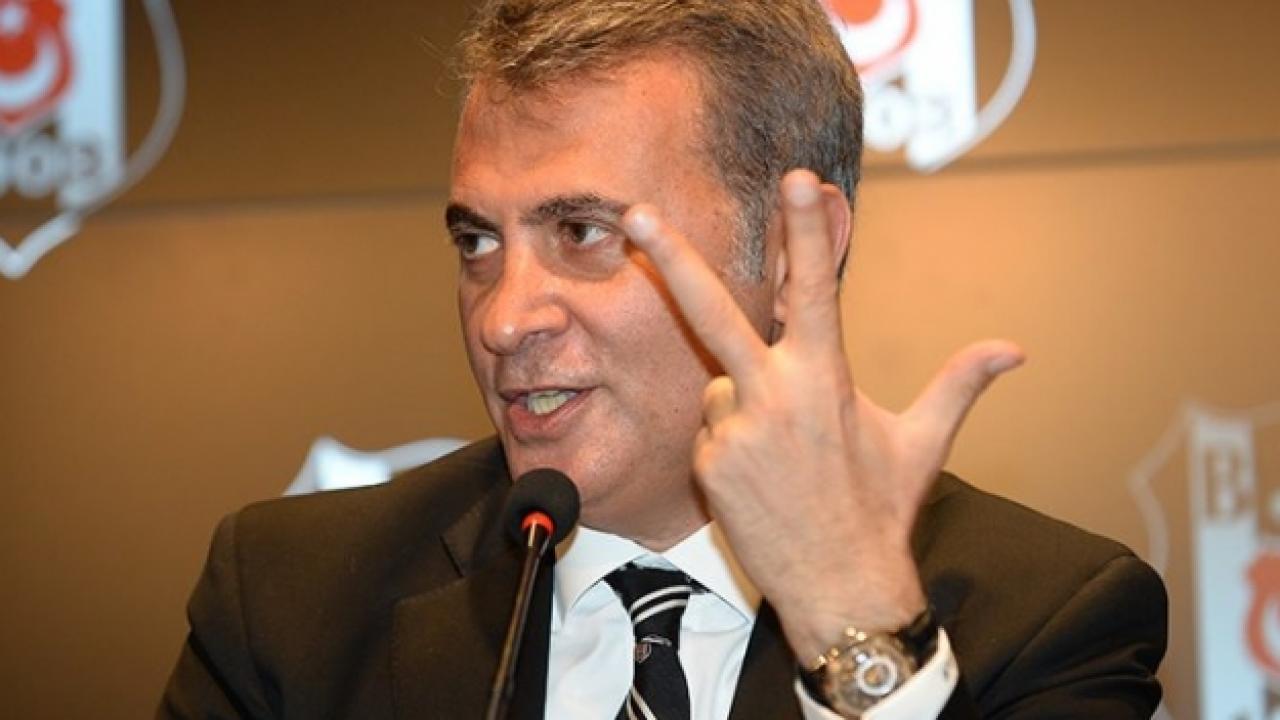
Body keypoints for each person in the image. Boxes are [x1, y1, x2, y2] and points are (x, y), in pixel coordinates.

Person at [159, 1, 1167, 718]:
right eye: (478, 242)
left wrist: (860, 636)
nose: (503, 319)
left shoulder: (1047, 617)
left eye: (582, 233)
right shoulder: (289, 600)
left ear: (791, 252)